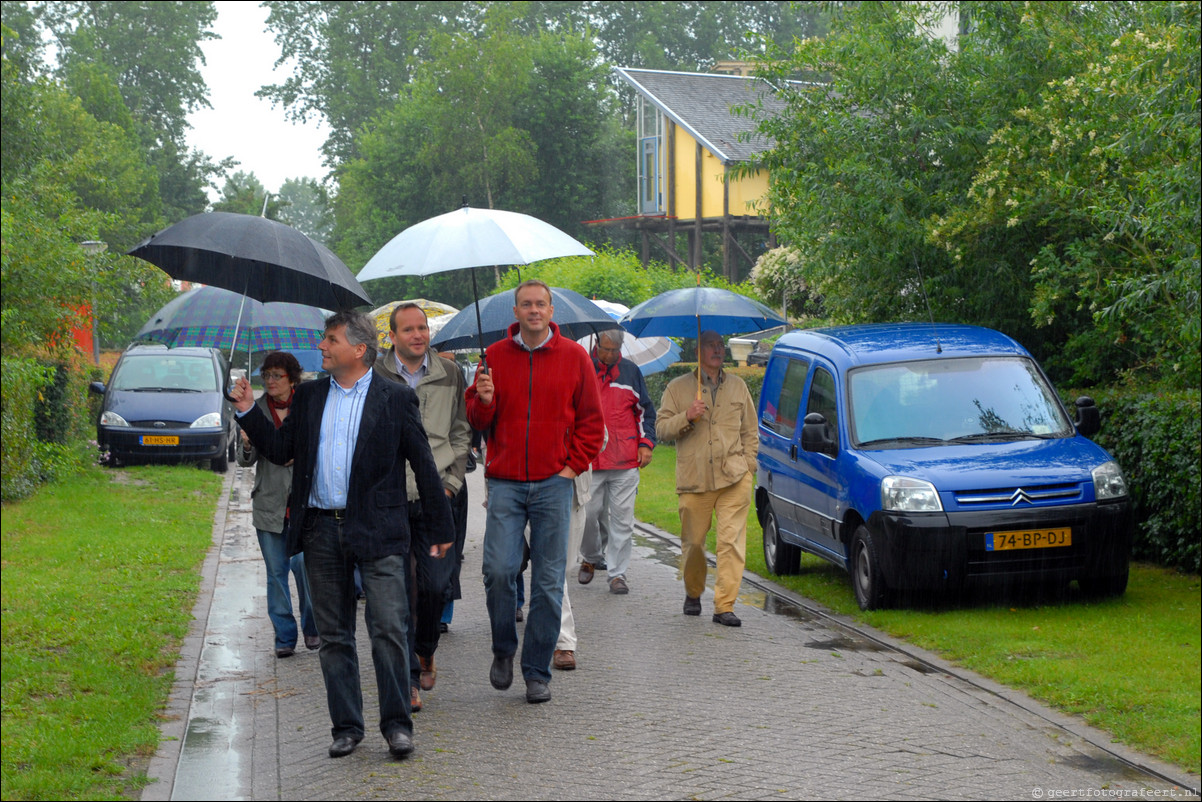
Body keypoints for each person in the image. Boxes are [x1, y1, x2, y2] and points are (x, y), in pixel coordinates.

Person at [231, 310, 453, 760]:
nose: (322, 347)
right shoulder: (310, 396)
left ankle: (396, 725)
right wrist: (247, 410)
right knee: (334, 635)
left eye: (330, 340)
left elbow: (423, 464)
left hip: (379, 530)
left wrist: (440, 525)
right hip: (319, 530)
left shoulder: (394, 399)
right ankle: (347, 726)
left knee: (389, 628)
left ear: (358, 348)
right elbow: (278, 450)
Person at [465, 280, 604, 703]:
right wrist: (484, 399)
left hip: (552, 483)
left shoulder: (575, 357)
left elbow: (592, 424)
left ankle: (537, 669)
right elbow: (475, 420)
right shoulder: (493, 359)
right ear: (516, 310)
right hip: (506, 482)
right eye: (526, 304)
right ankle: (504, 648)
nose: (533, 310)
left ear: (550, 309)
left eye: (540, 304)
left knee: (548, 581)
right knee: (499, 570)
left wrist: (569, 468)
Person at [374, 303, 471, 713]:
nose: (418, 335)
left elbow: (461, 433)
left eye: (423, 329)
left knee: (433, 585)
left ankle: (426, 647)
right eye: (408, 329)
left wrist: (448, 486)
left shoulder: (451, 374)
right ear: (392, 336)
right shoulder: (375, 374)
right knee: (400, 593)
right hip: (393, 501)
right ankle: (409, 679)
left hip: (438, 499)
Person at [655, 330, 758, 627]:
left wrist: (748, 464)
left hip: (734, 477)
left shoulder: (738, 387)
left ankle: (724, 605)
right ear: (698, 350)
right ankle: (693, 591)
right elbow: (661, 429)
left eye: (720, 345)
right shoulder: (678, 388)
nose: (718, 350)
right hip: (695, 478)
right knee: (694, 544)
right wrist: (686, 416)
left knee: (731, 543)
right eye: (711, 345)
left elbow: (750, 430)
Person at [236, 351, 320, 658]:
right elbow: (246, 462)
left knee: (305, 570)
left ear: (292, 378)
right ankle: (284, 636)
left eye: (276, 376)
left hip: (304, 502)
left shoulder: (309, 405)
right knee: (276, 574)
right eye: (266, 375)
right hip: (269, 504)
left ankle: (313, 626)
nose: (270, 381)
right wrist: (247, 444)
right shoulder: (254, 409)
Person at [578, 329, 657, 594]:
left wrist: (646, 445)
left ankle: (617, 574)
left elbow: (646, 412)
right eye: (606, 349)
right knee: (588, 515)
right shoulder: (581, 367)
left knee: (623, 520)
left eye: (615, 350)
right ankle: (591, 557)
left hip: (625, 460)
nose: (610, 355)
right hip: (590, 459)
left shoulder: (631, 372)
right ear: (596, 344)